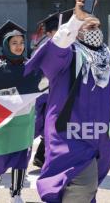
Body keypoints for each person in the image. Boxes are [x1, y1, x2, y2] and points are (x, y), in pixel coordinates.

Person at [25, 0, 110, 202]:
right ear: (76, 32)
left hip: (101, 138)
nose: (96, 31)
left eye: (98, 27)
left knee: (83, 192)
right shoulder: (68, 57)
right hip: (69, 137)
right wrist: (76, 19)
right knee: (82, 186)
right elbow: (54, 52)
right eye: (90, 27)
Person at [0, 20, 29, 203]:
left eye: (21, 42)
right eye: (14, 43)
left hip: (24, 119)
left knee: (21, 157)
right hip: (2, 120)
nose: (19, 46)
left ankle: (16, 193)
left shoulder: (30, 65)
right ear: (6, 45)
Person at [31, 9, 73, 168]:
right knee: (36, 126)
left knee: (52, 127)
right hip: (43, 93)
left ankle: (43, 158)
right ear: (48, 33)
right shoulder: (44, 47)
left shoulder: (64, 45)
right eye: (56, 31)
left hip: (55, 93)